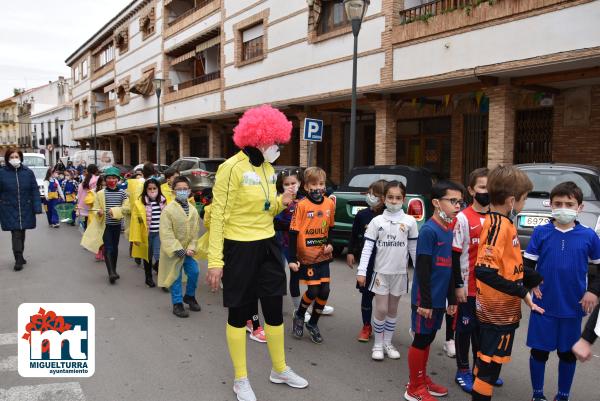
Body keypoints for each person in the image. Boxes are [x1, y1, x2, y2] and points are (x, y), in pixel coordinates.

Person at [206, 105, 307, 401]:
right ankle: (241, 379)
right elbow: (218, 217)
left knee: (274, 309)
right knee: (239, 313)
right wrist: (215, 261)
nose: (278, 147)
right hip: (239, 247)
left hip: (268, 245)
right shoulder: (231, 168)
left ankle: (280, 369)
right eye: (276, 141)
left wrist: (282, 200)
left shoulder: (266, 168)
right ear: (261, 137)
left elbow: (267, 209)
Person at [471, 165, 544, 401]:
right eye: (523, 200)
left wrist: (532, 277)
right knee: (488, 366)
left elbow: (509, 261)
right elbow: (484, 271)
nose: (524, 204)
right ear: (512, 201)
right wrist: (521, 291)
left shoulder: (505, 223)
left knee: (489, 362)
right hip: (496, 311)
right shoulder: (496, 226)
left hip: (504, 310)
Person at [523, 181, 600, 401]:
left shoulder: (589, 236)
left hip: (572, 307)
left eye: (569, 203)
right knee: (539, 352)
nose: (564, 207)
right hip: (542, 305)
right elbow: (526, 266)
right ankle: (537, 395)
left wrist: (593, 291)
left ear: (580, 207)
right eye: (559, 203)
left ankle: (562, 396)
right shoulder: (540, 232)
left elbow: (598, 269)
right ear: (551, 205)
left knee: (567, 355)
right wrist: (532, 281)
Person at [405, 180, 462, 401]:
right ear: (437, 203)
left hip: (439, 299)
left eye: (460, 201)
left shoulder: (449, 228)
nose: (458, 205)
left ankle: (421, 378)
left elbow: (447, 267)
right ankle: (413, 387)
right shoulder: (429, 230)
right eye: (453, 201)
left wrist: (451, 299)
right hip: (425, 300)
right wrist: (425, 302)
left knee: (428, 338)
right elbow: (423, 269)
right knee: (420, 339)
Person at [452, 167, 503, 393]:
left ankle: (480, 369)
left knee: (484, 332)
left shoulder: (498, 218)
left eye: (490, 187)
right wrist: (458, 286)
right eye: (482, 187)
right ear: (471, 190)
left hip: (490, 290)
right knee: (465, 331)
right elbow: (454, 255)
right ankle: (462, 370)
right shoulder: (462, 218)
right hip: (468, 289)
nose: (486, 191)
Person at [357, 180, 417, 360]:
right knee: (381, 308)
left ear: (404, 199)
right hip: (380, 273)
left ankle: (387, 343)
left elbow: (414, 249)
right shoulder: (376, 221)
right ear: (384, 198)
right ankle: (377, 344)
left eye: (398, 197)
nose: (394, 200)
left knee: (392, 309)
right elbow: (367, 248)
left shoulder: (410, 222)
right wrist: (361, 271)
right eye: (390, 197)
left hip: (399, 274)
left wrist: (421, 273)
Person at [289, 167, 337, 345]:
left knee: (325, 291)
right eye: (314, 184)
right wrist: (293, 258)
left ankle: (313, 324)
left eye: (322, 184)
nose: (318, 187)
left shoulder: (329, 204)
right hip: (306, 256)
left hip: (323, 256)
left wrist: (330, 244)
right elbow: (293, 233)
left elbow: (330, 228)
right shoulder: (301, 205)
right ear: (306, 186)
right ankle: (300, 315)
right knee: (313, 290)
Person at [347, 179, 386, 342]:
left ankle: (382, 327)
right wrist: (350, 252)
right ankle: (366, 326)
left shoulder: (389, 215)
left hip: (385, 263)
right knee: (367, 295)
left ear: (384, 198)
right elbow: (354, 235)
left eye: (375, 195)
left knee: (384, 299)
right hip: (368, 262)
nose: (371, 197)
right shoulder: (362, 215)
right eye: (369, 193)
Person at [158, 176, 201, 317]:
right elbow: (166, 233)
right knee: (175, 277)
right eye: (179, 189)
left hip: (188, 251)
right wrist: (179, 249)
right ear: (173, 191)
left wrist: (192, 247)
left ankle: (189, 296)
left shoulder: (193, 210)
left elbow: (195, 232)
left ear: (189, 191)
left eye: (185, 189)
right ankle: (177, 303)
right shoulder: (168, 210)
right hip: (174, 251)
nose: (182, 191)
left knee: (194, 272)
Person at [81, 167, 130, 284]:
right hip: (105, 225)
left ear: (118, 179)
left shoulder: (123, 194)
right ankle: (111, 273)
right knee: (108, 247)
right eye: (109, 178)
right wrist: (99, 212)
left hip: (117, 225)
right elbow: (95, 208)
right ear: (105, 179)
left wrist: (115, 211)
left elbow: (127, 209)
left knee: (115, 248)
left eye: (114, 178)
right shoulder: (100, 194)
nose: (111, 180)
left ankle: (114, 269)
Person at [0, 148, 42, 271]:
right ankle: (18, 258)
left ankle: (20, 254)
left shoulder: (28, 172)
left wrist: (37, 207)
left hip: (26, 207)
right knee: (16, 232)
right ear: (7, 159)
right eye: (11, 157)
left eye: (16, 156)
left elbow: (34, 190)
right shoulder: (2, 173)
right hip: (9, 207)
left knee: (22, 232)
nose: (14, 159)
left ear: (20, 158)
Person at [130, 178, 167, 288]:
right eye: (149, 188)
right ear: (145, 190)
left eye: (154, 188)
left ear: (158, 189)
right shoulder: (140, 203)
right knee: (148, 256)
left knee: (160, 256)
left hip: (159, 235)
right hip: (146, 235)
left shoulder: (163, 201)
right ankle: (148, 277)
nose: (152, 190)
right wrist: (135, 238)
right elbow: (135, 221)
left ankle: (164, 281)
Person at [77, 164, 99, 230]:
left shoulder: (84, 181)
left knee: (86, 223)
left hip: (84, 205)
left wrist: (79, 204)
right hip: (93, 204)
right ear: (96, 171)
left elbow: (79, 194)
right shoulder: (96, 179)